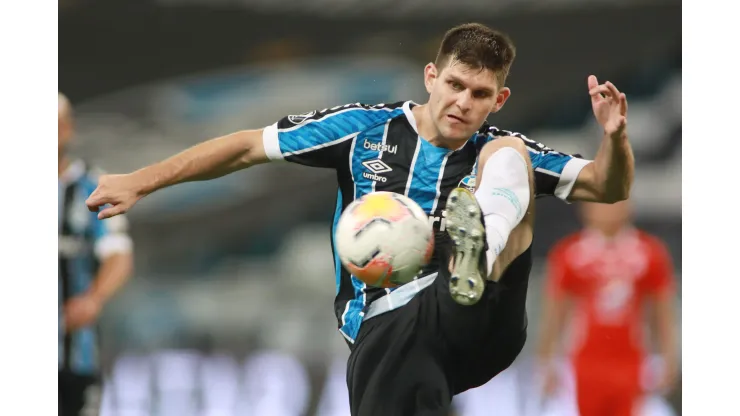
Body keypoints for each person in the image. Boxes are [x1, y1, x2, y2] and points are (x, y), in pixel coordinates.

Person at [85, 23, 633, 415]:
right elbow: (247, 148)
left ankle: (477, 249)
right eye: (455, 85)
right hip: (389, 322)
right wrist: (141, 180)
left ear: (500, 98)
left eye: (481, 94)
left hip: (477, 314)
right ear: (430, 77)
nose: (464, 102)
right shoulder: (363, 130)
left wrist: (615, 136)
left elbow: (608, 186)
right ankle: (471, 255)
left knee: (509, 154)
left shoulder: (496, 142)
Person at [537, 200, 678, 416]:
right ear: (586, 209)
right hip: (583, 363)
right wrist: (546, 361)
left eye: (615, 203)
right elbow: (555, 313)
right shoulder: (569, 253)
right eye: (602, 204)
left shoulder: (649, 252)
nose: (609, 210)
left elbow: (662, 311)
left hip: (631, 362)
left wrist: (668, 357)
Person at [59, 92, 135, 415]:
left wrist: (93, 298)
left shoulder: (94, 186)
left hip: (76, 356)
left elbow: (119, 255)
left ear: (67, 129)